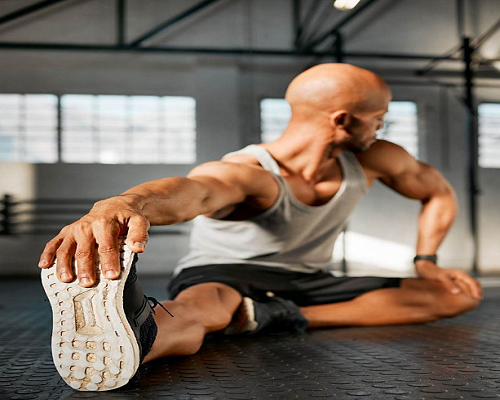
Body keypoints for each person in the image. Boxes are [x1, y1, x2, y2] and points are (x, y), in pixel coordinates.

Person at [39, 63, 482, 391]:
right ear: (343, 119)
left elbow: (438, 192)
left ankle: (272, 315)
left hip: (306, 278)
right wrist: (125, 203)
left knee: (455, 295)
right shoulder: (251, 173)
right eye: (379, 116)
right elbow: (196, 192)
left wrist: (427, 261)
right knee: (203, 309)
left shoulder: (373, 159)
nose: (383, 125)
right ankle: (135, 338)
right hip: (225, 272)